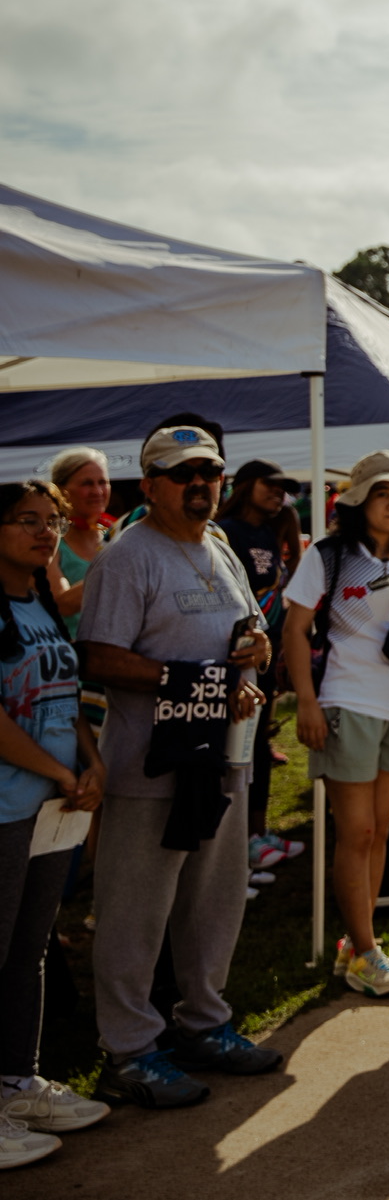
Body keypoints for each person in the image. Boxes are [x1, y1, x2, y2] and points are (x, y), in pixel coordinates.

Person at [77, 424, 282, 1107]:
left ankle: (204, 1023)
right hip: (149, 764)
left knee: (214, 900)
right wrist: (188, 677)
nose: (200, 483)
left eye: (210, 471)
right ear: (152, 486)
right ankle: (130, 1049)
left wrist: (251, 653)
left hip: (219, 759)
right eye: (183, 472)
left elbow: (253, 632)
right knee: (135, 910)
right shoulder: (126, 556)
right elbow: (99, 657)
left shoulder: (218, 546)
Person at [281, 451, 389, 997]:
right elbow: (294, 630)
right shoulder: (329, 556)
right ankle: (364, 951)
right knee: (355, 832)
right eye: (384, 494)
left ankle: (361, 944)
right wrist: (306, 703)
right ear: (359, 501)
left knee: (378, 832)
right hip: (344, 702)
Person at [0, 479, 111, 1165]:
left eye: (52, 521)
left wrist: (91, 762)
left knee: (29, 948)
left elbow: (65, 692)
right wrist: (60, 769)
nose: (44, 533)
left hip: (53, 807)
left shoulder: (40, 601)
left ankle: (17, 1081)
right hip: (10, 805)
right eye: (25, 521)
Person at [216, 461, 310, 878]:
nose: (278, 494)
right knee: (234, 748)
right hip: (234, 656)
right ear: (245, 485)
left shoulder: (270, 532)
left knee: (257, 748)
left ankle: (258, 831)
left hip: (266, 656)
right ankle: (236, 843)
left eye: (283, 489)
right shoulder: (226, 531)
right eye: (270, 486)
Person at [42, 448, 112, 636]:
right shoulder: (49, 540)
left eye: (103, 482)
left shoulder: (114, 536)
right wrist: (115, 566)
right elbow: (60, 604)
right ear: (61, 491)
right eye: (87, 484)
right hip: (73, 656)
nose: (97, 491)